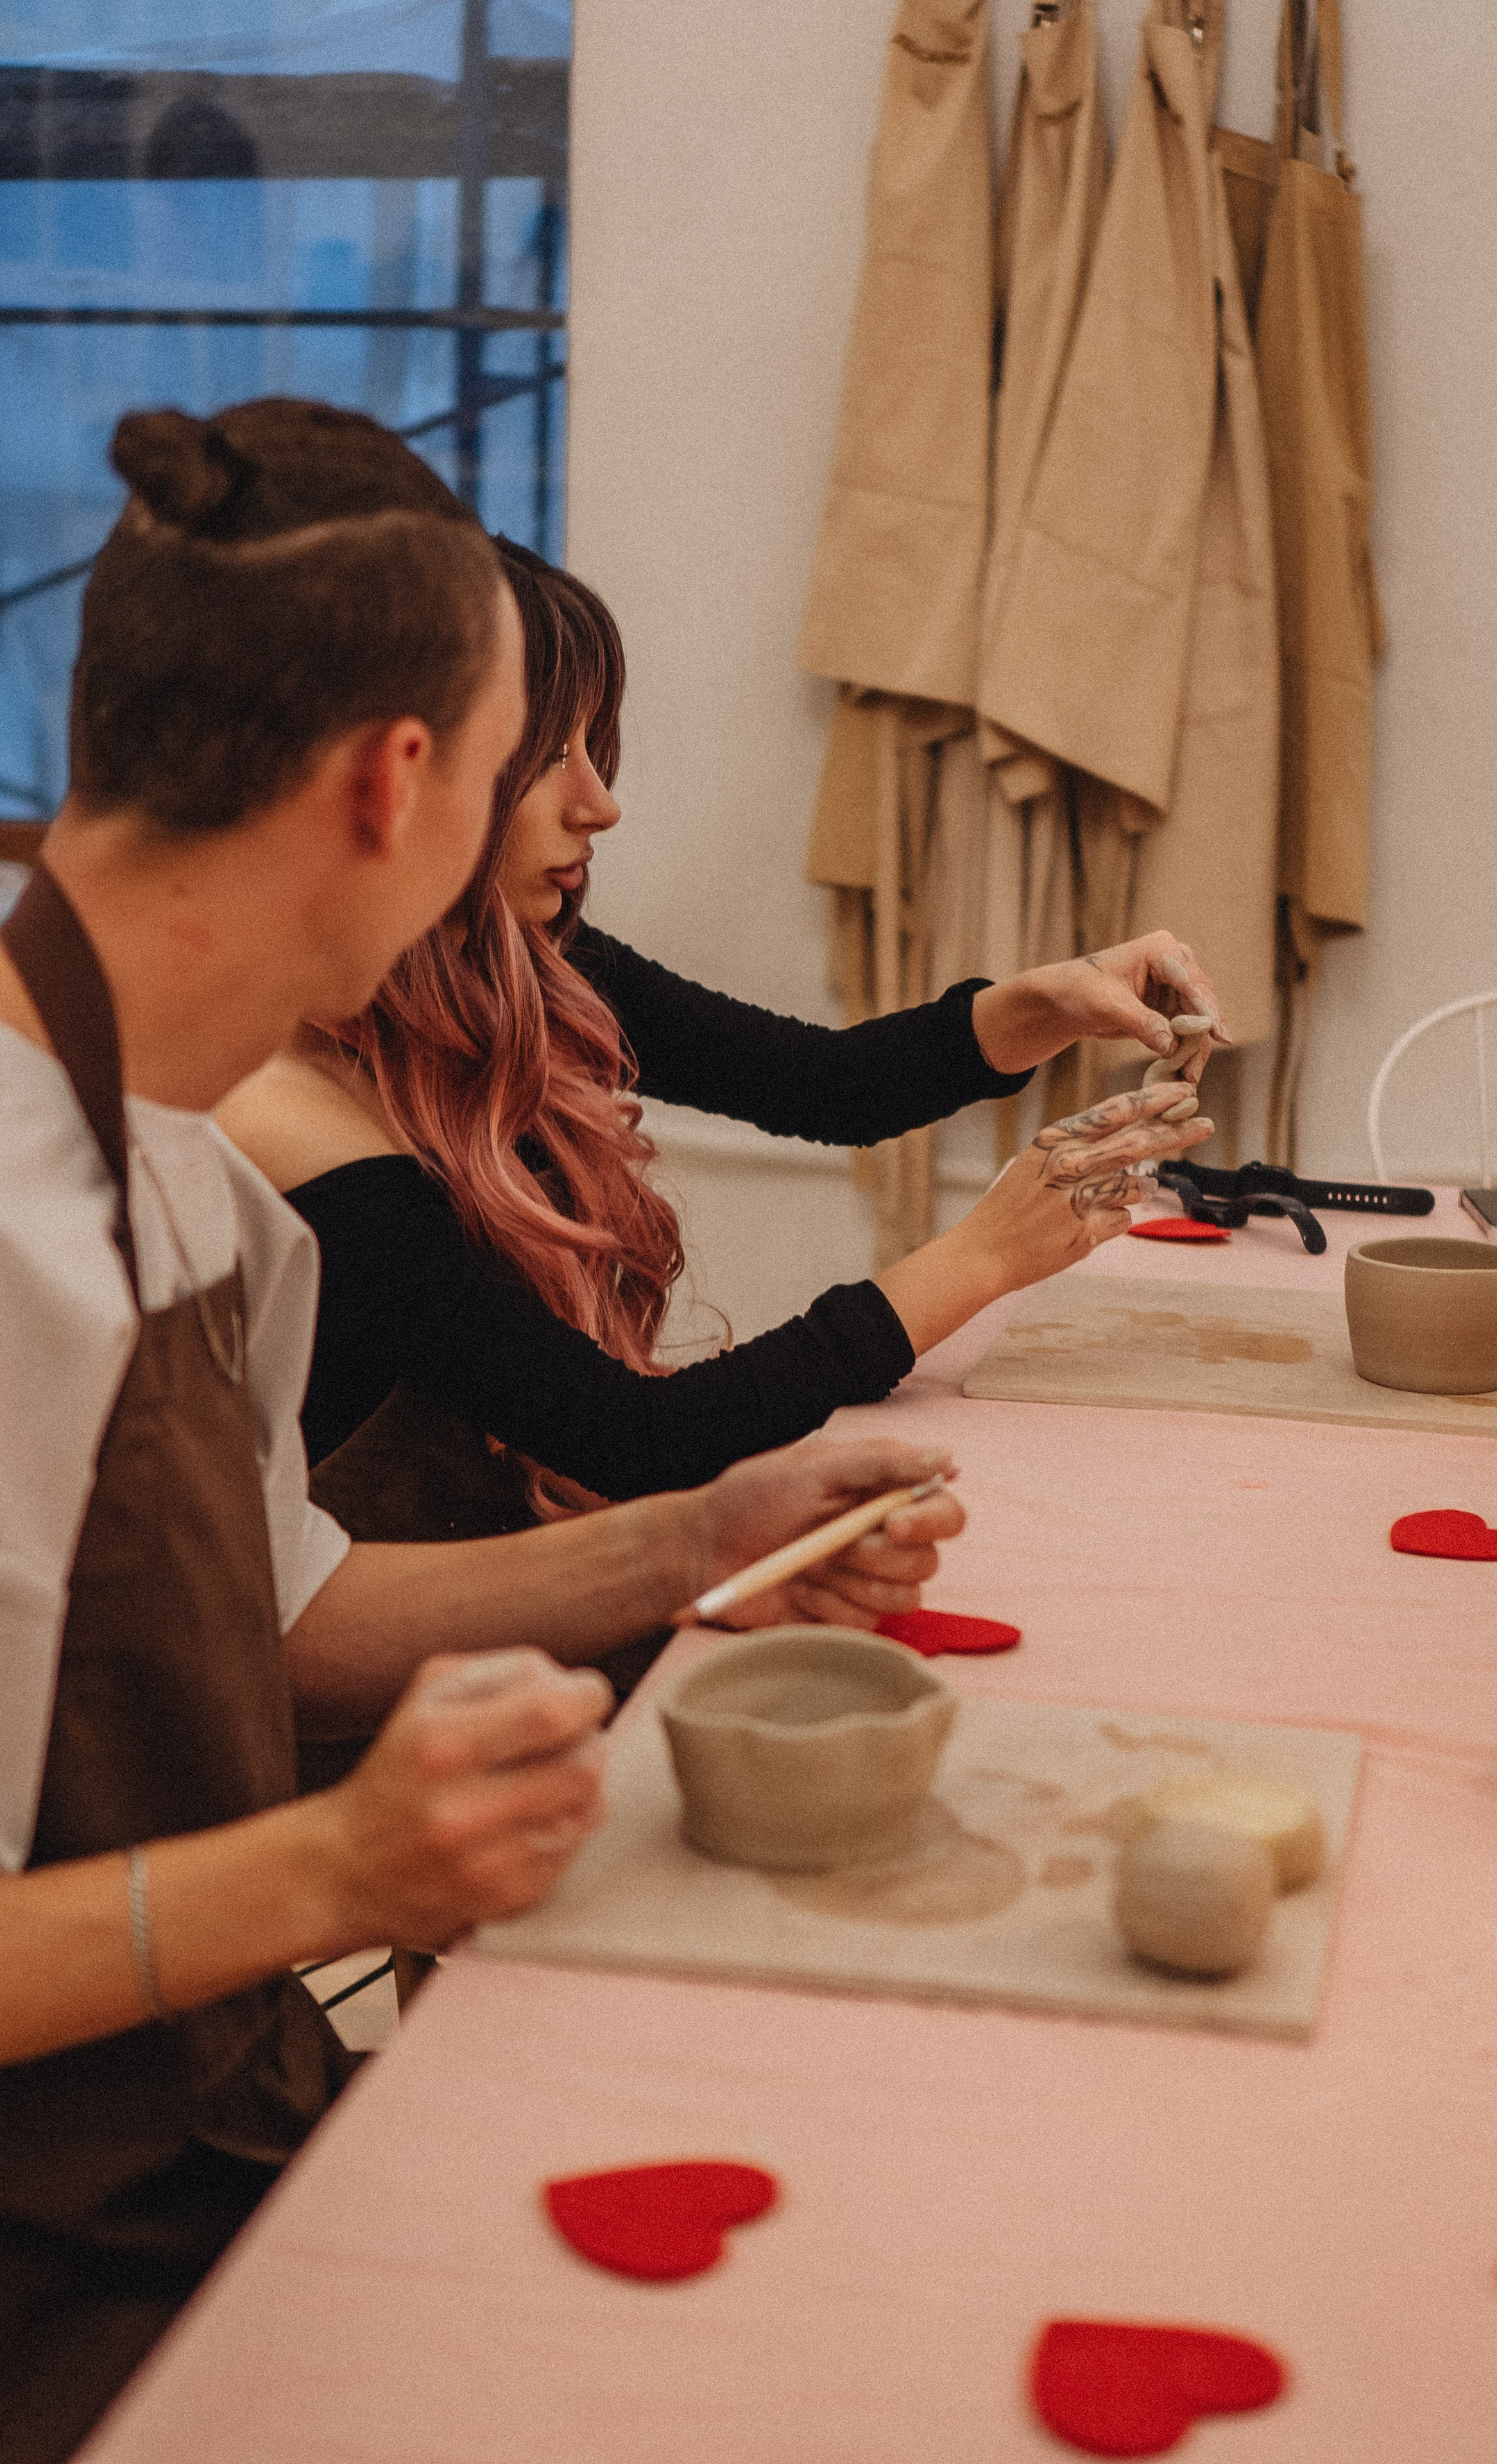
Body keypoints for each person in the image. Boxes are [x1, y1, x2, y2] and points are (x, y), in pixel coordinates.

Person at [0, 400, 962, 2464]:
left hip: (204, 2134)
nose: (583, 825)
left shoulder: (182, 1164)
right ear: (399, 781)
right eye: (545, 761)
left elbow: (280, 1614)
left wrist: (703, 1532)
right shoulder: (13, 1226)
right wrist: (333, 1867)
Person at [218, 542, 1224, 1530]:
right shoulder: (297, 1119)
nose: (601, 805)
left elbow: (828, 1086)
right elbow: (641, 1438)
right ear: (406, 777)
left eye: (592, 748)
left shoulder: (524, 964)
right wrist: (980, 1260)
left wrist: (1054, 1000)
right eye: (545, 759)